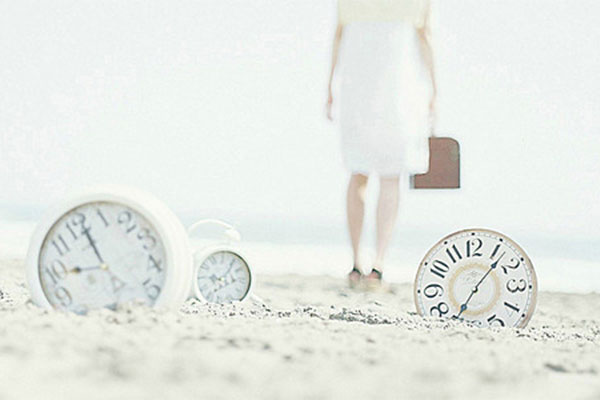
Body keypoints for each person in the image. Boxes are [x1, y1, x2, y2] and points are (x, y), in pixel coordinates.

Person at [326, 0, 437, 288]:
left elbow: (338, 36)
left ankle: (356, 263)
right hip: (400, 89)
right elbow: (425, 37)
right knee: (390, 177)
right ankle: (378, 263)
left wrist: (329, 88)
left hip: (357, 88)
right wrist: (434, 92)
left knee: (358, 172)